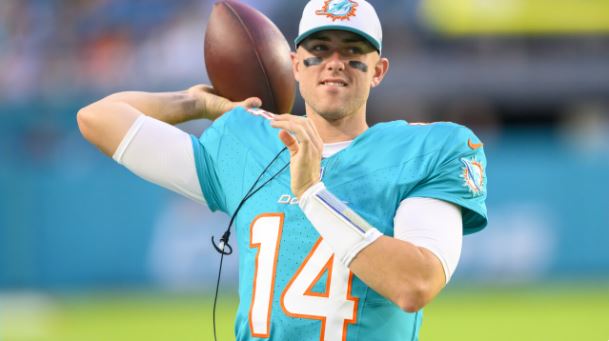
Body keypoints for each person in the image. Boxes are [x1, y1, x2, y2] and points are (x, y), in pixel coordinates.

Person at [77, 0, 487, 340]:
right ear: (294, 64)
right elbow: (99, 118)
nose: (334, 63)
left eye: (352, 51)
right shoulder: (250, 144)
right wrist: (195, 103)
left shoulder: (429, 149)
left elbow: (415, 283)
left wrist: (312, 192)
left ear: (377, 70)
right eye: (320, 49)